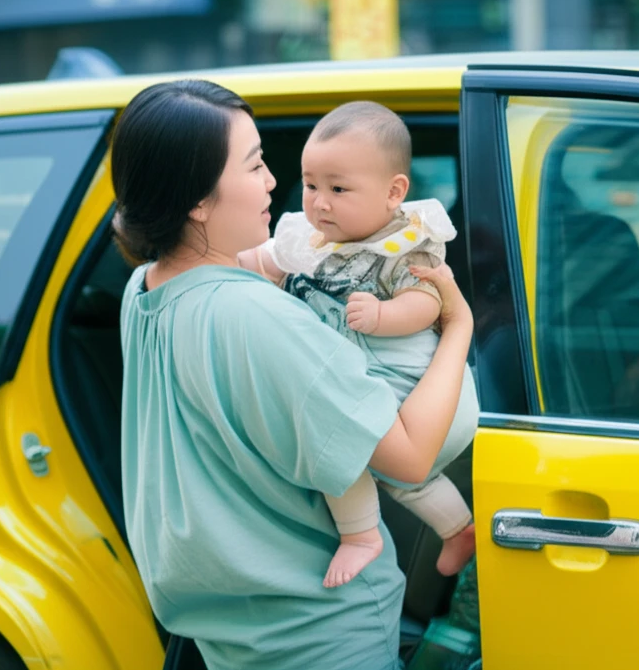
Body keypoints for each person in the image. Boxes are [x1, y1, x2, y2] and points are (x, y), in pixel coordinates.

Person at [113, 79, 475, 670]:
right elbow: (408, 459)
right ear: (198, 201)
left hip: (225, 634)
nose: (273, 183)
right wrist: (457, 326)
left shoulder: (143, 290)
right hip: (319, 633)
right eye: (255, 165)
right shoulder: (261, 317)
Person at [238, 101, 478, 589]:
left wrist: (384, 315)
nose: (319, 202)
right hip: (389, 406)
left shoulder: (406, 242)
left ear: (394, 193)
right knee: (406, 480)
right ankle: (458, 529)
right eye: (310, 185)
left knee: (333, 450)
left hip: (413, 390)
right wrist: (220, 262)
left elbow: (430, 302)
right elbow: (258, 261)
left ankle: (361, 536)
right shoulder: (309, 239)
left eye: (338, 188)